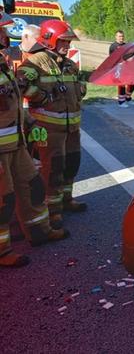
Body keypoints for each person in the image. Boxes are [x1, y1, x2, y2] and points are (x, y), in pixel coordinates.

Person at [1, 12, 70, 267]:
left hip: (15, 142)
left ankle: (39, 232)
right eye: (2, 31)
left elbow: (12, 98)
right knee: (3, 200)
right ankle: (2, 251)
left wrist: (27, 122)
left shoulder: (2, 61)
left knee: (32, 186)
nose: (7, 36)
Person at [17, 20, 87, 230]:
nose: (67, 45)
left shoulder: (68, 63)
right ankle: (53, 211)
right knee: (53, 169)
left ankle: (67, 200)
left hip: (72, 126)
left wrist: (80, 90)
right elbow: (20, 87)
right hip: (49, 128)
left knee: (72, 164)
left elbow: (79, 86)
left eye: (68, 41)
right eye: (63, 41)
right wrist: (42, 96)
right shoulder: (35, 62)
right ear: (49, 40)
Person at [109, 30, 134, 108]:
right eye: (119, 36)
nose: (121, 38)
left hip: (127, 67)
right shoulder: (113, 46)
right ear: (116, 37)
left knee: (132, 84)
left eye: (122, 36)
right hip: (118, 68)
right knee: (122, 84)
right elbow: (112, 58)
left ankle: (128, 98)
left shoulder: (126, 45)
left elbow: (130, 54)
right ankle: (121, 101)